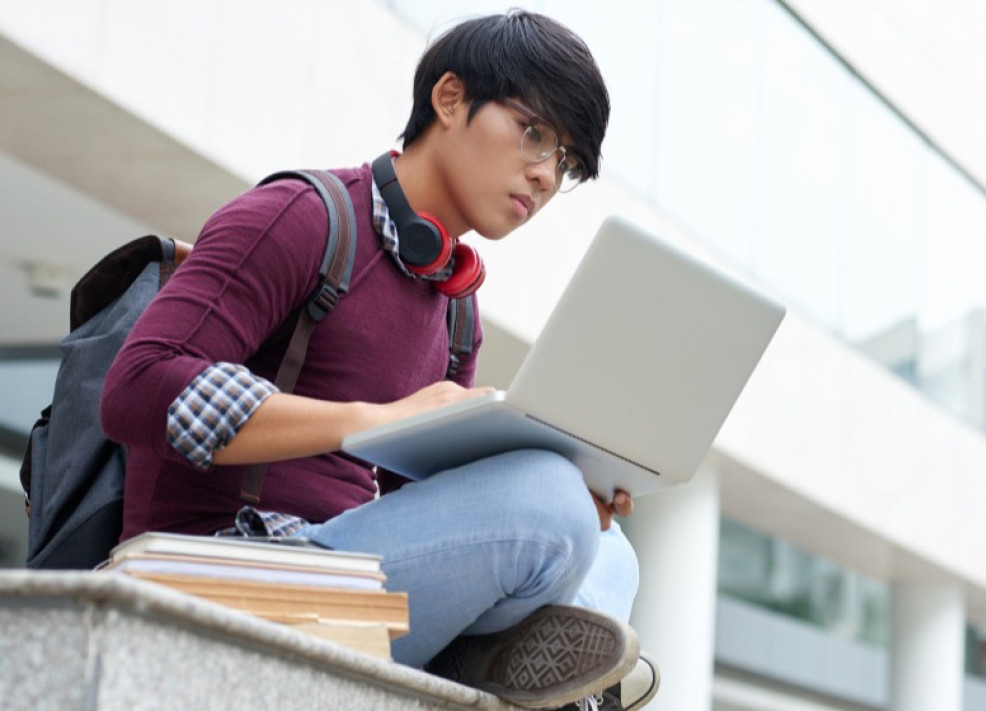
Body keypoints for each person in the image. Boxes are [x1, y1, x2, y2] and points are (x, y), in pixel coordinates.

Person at [100, 10, 656, 710]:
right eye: (534, 133)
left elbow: (419, 507)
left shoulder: (454, 308)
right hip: (224, 571)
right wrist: (373, 419)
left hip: (351, 587)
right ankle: (501, 670)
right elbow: (139, 385)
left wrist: (574, 493)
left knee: (606, 542)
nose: (545, 175)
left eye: (566, 161)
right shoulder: (302, 215)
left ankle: (515, 663)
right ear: (449, 99)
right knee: (547, 501)